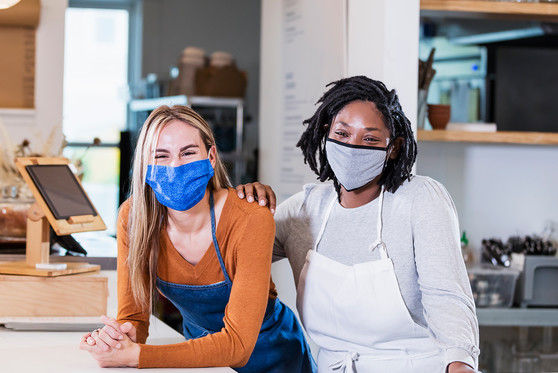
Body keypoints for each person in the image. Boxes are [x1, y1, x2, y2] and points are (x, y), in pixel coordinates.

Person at [237, 76, 480, 372]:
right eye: (342, 134)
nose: (353, 148)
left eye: (370, 139)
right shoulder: (306, 208)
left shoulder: (419, 200)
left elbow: (446, 296)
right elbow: (233, 253)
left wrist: (460, 362)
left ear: (393, 147)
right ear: (326, 135)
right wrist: (243, 209)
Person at [79, 105, 315, 372]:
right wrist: (121, 339)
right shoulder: (133, 219)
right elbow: (133, 317)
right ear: (145, 164)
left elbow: (237, 345)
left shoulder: (250, 219)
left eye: (188, 153)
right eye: (161, 155)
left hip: (275, 359)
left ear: (211, 156)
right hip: (199, 360)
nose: (175, 166)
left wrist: (137, 356)